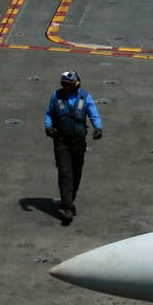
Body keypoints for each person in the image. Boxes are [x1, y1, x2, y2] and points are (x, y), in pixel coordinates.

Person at [44, 70, 102, 224]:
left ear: (76, 84)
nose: (65, 87)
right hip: (61, 140)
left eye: (68, 85)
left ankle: (70, 199)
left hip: (78, 142)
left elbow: (93, 113)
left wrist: (98, 128)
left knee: (76, 172)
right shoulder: (56, 97)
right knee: (64, 172)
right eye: (63, 84)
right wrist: (48, 127)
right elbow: (49, 113)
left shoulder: (85, 97)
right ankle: (67, 207)